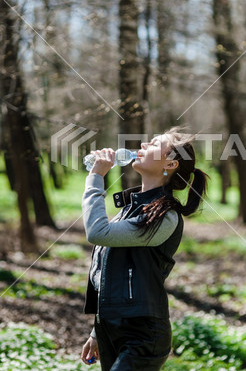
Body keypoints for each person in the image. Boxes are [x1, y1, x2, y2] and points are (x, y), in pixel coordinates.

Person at [80, 127, 208, 370]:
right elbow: (109, 270)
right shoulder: (130, 208)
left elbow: (97, 233)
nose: (144, 145)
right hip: (110, 327)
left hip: (142, 335)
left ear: (170, 165)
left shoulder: (165, 216)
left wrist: (96, 177)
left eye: (155, 144)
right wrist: (97, 332)